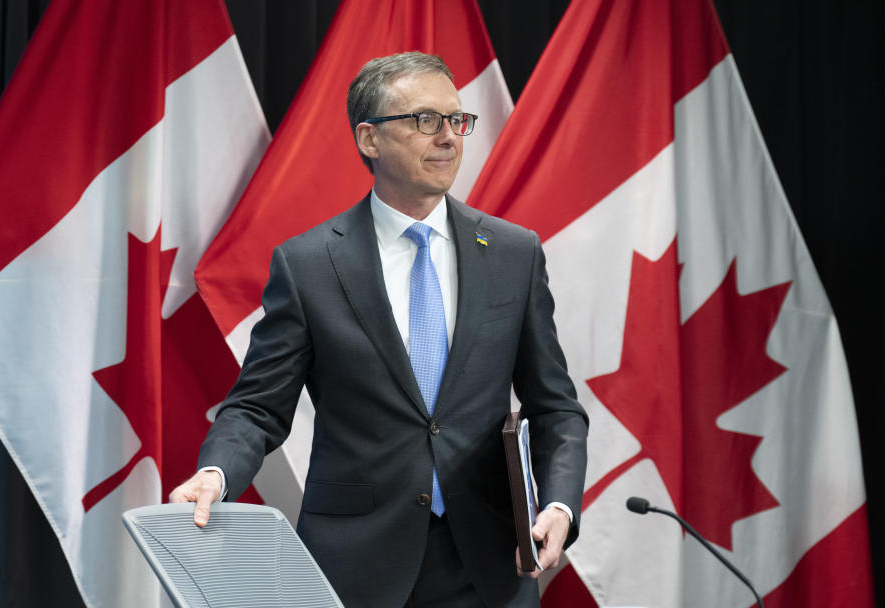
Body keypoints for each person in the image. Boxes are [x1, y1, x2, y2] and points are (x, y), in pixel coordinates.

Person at [169, 51, 588, 608]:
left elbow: (555, 406)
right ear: (369, 139)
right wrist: (216, 473)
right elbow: (257, 407)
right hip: (355, 567)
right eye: (424, 120)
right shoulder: (310, 264)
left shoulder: (513, 253)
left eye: (456, 120)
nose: (448, 137)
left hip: (489, 565)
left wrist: (558, 505)